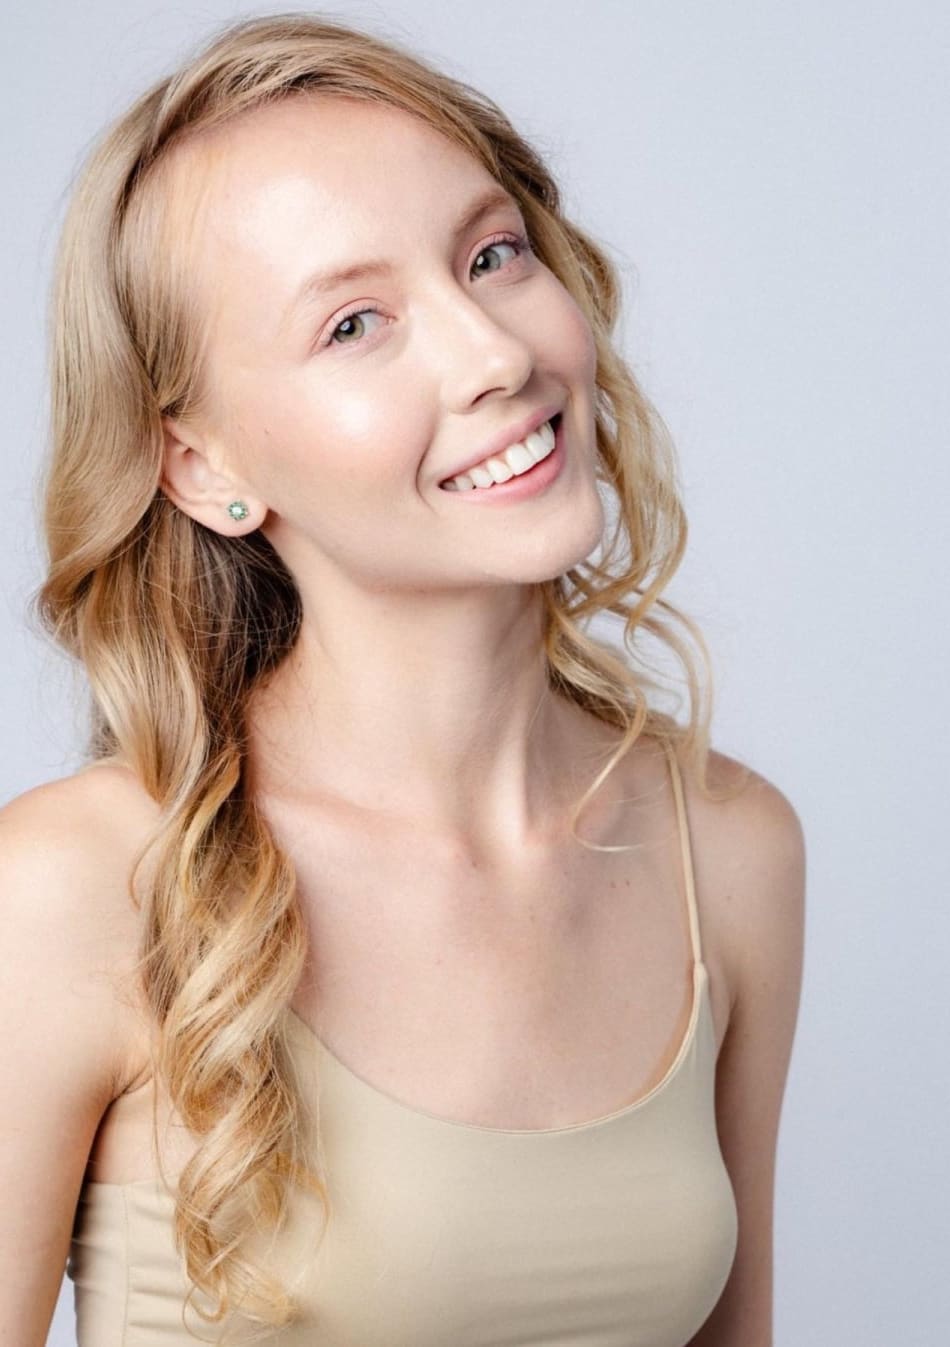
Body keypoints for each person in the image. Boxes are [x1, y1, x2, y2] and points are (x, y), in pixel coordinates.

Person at [0, 11, 806, 1347]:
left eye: (492, 255)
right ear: (202, 465)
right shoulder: (79, 887)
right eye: (355, 324)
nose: (496, 355)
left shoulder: (725, 848)